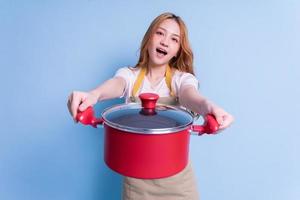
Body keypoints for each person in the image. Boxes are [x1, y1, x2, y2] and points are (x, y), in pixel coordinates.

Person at [67, 12, 234, 200]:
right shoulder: (129, 76)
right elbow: (116, 84)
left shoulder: (181, 80)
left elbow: (191, 96)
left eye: (174, 39)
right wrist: (93, 95)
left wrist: (208, 107)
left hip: (178, 184)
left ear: (178, 50)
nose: (165, 42)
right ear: (149, 38)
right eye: (160, 33)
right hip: (137, 186)